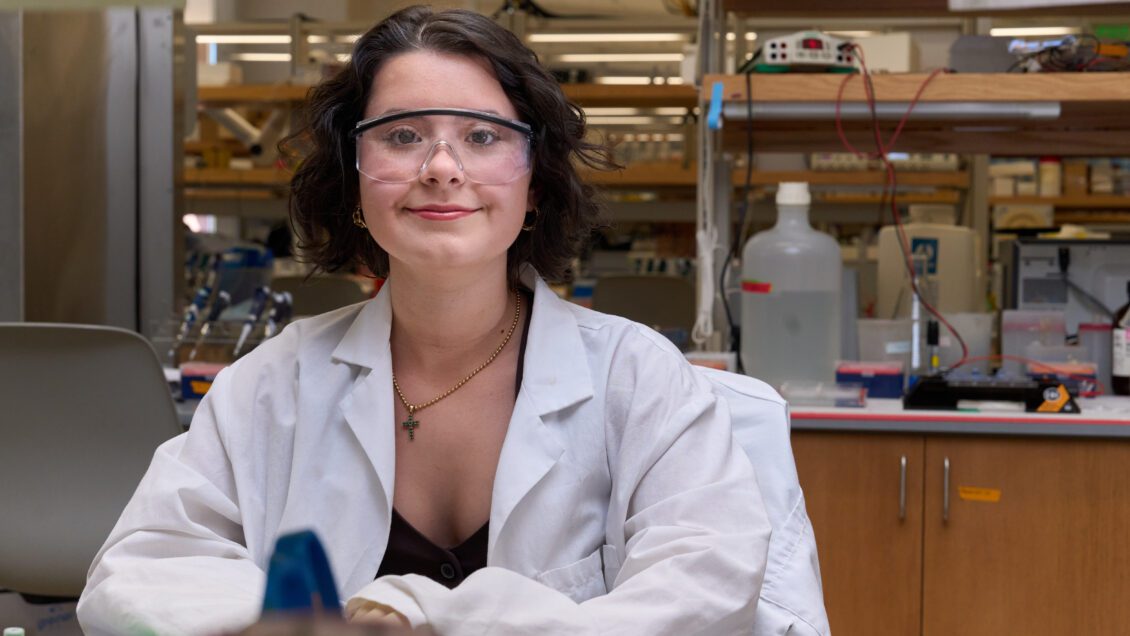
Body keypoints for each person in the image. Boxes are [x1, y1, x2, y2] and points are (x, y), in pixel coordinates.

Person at [77, 7, 771, 634]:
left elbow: (706, 591)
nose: (442, 168)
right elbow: (137, 573)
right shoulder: (271, 384)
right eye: (403, 135)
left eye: (482, 136)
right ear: (354, 180)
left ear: (534, 185)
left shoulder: (638, 379)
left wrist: (423, 613)